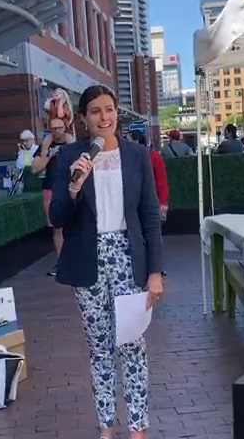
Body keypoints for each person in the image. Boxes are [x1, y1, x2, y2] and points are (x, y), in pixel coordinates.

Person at [49, 84, 164, 439]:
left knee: (131, 344)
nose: (104, 117)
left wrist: (156, 272)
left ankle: (138, 428)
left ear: (117, 113)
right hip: (89, 261)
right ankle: (106, 426)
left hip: (129, 258)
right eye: (96, 111)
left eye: (109, 109)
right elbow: (57, 216)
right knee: (99, 348)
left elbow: (148, 216)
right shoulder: (70, 157)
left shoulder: (137, 155)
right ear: (83, 118)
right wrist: (73, 187)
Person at [30, 117, 72, 276]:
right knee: (57, 227)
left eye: (59, 128)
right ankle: (61, 262)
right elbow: (34, 168)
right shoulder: (45, 146)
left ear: (65, 127)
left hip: (70, 188)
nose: (57, 132)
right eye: (53, 129)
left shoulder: (71, 143)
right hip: (51, 188)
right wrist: (48, 155)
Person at [128, 130, 169, 221]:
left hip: (147, 201)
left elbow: (160, 180)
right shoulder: (153, 155)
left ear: (136, 141)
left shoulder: (152, 156)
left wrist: (162, 202)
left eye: (128, 140)